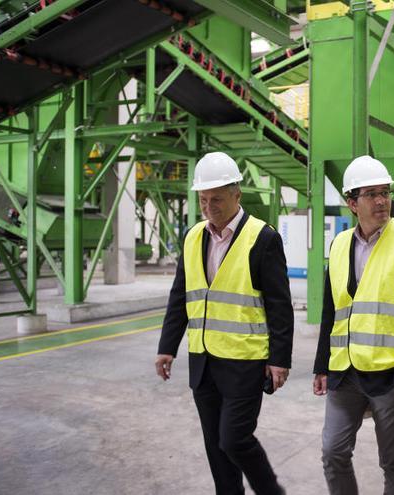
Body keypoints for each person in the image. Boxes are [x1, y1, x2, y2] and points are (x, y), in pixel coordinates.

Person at [155, 152, 292, 495]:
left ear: (236, 195)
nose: (209, 206)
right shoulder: (192, 237)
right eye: (203, 199)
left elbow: (279, 305)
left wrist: (279, 359)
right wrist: (166, 348)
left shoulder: (263, 238)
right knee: (216, 447)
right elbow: (179, 297)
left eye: (216, 198)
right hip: (202, 361)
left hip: (244, 362)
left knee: (234, 439)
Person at [313, 155, 394, 495]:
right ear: (352, 203)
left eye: (385, 192)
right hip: (345, 372)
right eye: (371, 194)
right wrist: (322, 364)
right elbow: (332, 310)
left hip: (392, 372)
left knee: (393, 462)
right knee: (333, 452)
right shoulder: (339, 244)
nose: (382, 201)